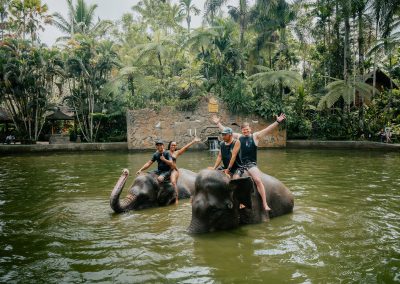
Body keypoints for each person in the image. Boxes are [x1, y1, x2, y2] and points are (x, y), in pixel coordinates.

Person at [212, 113, 286, 212]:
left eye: (247, 129)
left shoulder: (255, 136)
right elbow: (226, 131)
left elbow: (267, 129)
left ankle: (265, 204)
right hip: (240, 164)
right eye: (244, 130)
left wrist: (277, 122)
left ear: (250, 129)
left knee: (258, 180)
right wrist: (218, 123)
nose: (245, 131)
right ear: (242, 130)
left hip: (251, 164)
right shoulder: (239, 137)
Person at [167, 137, 201, 204]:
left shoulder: (176, 153)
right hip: (165, 170)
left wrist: (193, 141)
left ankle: (176, 198)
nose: (173, 146)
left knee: (173, 182)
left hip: (173, 170)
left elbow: (185, 148)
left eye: (174, 145)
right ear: (169, 146)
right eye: (172, 145)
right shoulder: (166, 152)